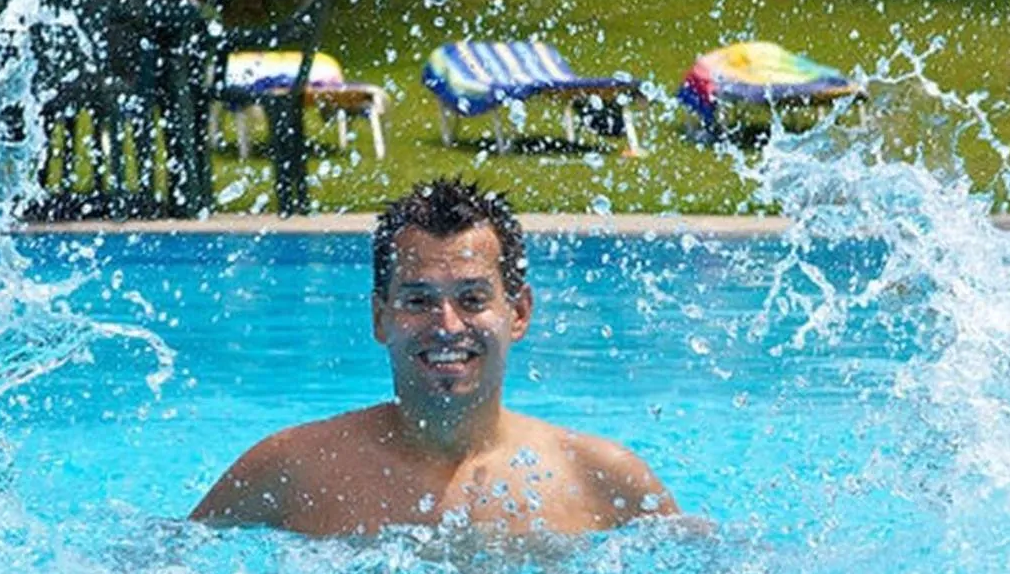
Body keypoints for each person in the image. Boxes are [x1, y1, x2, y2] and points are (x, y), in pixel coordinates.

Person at [191, 178, 680, 537]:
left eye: (472, 299)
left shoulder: (599, 477)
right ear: (381, 318)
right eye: (418, 301)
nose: (446, 326)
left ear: (519, 313)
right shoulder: (294, 467)